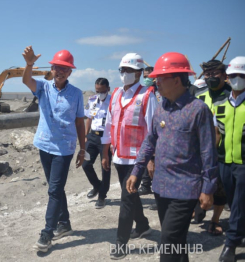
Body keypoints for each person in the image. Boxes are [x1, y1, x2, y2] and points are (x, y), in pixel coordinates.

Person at [126, 52, 218, 262]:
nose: (155, 81)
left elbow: (208, 152)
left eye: (160, 78)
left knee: (168, 241)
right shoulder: (161, 108)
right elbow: (150, 141)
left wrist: (208, 188)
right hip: (161, 186)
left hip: (186, 188)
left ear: (177, 80)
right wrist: (137, 170)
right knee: (176, 242)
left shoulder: (198, 110)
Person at [22, 46, 86, 253]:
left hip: (64, 149)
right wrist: (29, 64)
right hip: (44, 144)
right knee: (55, 188)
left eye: (64, 68)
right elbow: (26, 80)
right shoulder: (43, 87)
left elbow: (79, 123)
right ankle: (64, 223)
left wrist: (82, 148)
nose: (59, 71)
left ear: (70, 72)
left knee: (54, 190)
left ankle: (47, 232)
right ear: (51, 69)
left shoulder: (76, 94)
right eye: (56, 67)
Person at [100, 53, 158, 259]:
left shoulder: (147, 95)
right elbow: (108, 125)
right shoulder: (115, 94)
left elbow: (153, 130)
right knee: (131, 195)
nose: (125, 74)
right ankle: (142, 226)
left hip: (137, 160)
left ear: (140, 73)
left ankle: (120, 242)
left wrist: (150, 159)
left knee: (126, 199)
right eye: (122, 70)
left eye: (129, 71)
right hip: (118, 157)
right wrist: (105, 152)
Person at [213, 56, 245, 262]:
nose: (237, 79)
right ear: (226, 77)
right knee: (233, 202)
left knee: (240, 203)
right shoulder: (221, 104)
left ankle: (231, 244)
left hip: (243, 164)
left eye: (241, 75)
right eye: (233, 75)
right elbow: (217, 133)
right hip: (224, 161)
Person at [194, 60, 230, 235]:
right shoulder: (199, 95)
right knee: (197, 183)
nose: (211, 77)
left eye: (215, 73)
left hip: (224, 152)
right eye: (208, 74)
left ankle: (215, 220)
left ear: (224, 75)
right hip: (199, 151)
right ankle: (199, 207)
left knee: (220, 188)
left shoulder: (233, 95)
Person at [83, 77, 112, 209]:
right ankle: (97, 185)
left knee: (105, 167)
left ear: (108, 89)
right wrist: (85, 135)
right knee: (85, 164)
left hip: (106, 138)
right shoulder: (92, 100)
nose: (99, 93)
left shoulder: (113, 102)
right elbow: (89, 118)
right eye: (97, 90)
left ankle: (102, 196)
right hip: (93, 137)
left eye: (101, 91)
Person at [138, 66, 159, 211]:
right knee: (147, 163)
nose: (146, 78)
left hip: (159, 132)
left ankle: (160, 197)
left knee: (156, 166)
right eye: (144, 75)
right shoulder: (144, 92)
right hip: (146, 133)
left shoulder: (159, 92)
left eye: (149, 76)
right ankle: (146, 185)